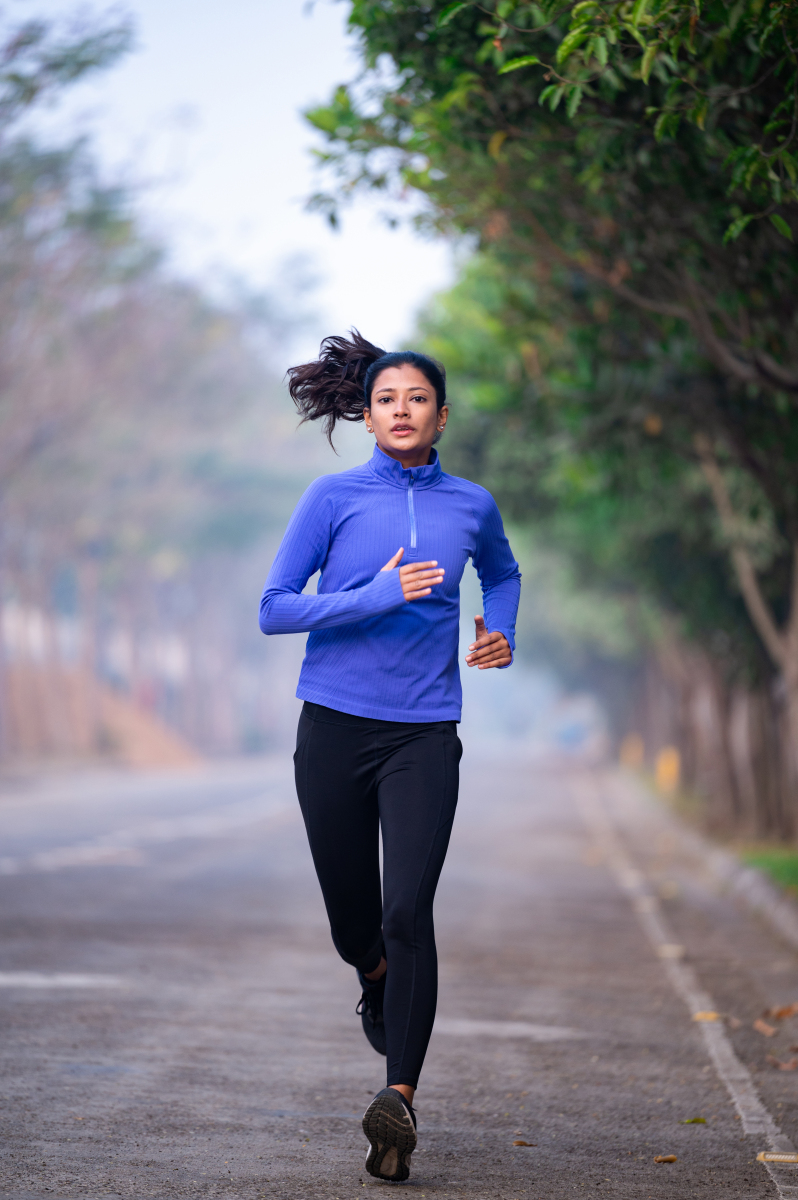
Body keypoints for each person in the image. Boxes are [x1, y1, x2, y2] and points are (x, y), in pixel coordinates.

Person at [259, 331, 521, 1183]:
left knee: (410, 910)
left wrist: (500, 628)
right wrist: (374, 594)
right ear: (366, 416)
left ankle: (396, 1100)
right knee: (356, 922)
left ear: (441, 416)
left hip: (422, 734)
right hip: (333, 727)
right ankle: (371, 973)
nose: (401, 411)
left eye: (416, 400)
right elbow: (274, 609)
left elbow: (504, 574)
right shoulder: (332, 498)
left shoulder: (471, 505)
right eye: (385, 401)